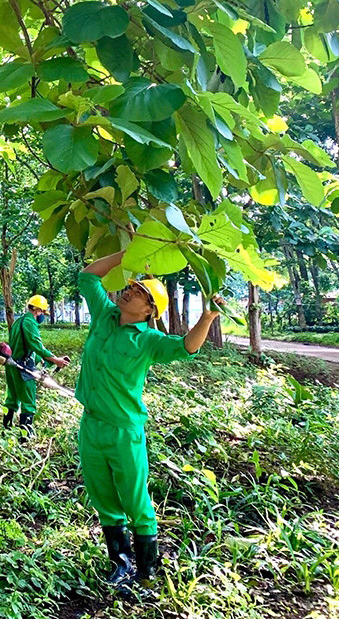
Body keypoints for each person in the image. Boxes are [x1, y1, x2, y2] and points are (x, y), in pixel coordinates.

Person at [76, 249, 222, 587]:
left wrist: (207, 318)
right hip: (91, 425)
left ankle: (147, 570)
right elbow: (88, 276)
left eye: (140, 293)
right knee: (103, 497)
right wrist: (126, 254)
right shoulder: (104, 315)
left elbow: (187, 346)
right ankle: (121, 563)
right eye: (133, 287)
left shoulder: (150, 341)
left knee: (135, 499)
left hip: (124, 430)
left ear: (149, 310)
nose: (130, 291)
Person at [3, 295, 69, 438]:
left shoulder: (18, 321)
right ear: (38, 310)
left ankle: (5, 430)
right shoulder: (30, 322)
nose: (42, 316)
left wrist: (50, 360)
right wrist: (56, 360)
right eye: (43, 313)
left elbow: (30, 349)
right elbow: (37, 346)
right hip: (22, 367)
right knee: (28, 401)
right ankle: (25, 436)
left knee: (12, 398)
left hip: (11, 364)